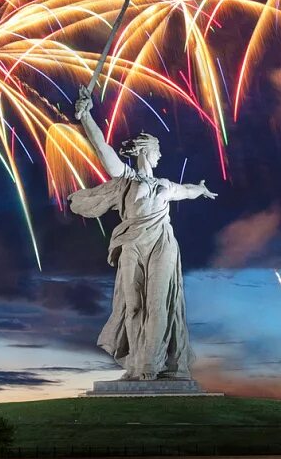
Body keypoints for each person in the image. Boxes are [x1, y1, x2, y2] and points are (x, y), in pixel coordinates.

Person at [68, 89, 216, 380]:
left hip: (161, 242)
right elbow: (103, 150)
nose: (160, 156)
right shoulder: (125, 178)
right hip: (131, 242)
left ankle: (151, 364)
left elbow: (187, 190)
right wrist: (85, 117)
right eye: (157, 151)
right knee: (133, 304)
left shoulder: (164, 184)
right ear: (146, 151)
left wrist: (200, 189)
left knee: (157, 302)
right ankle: (136, 361)